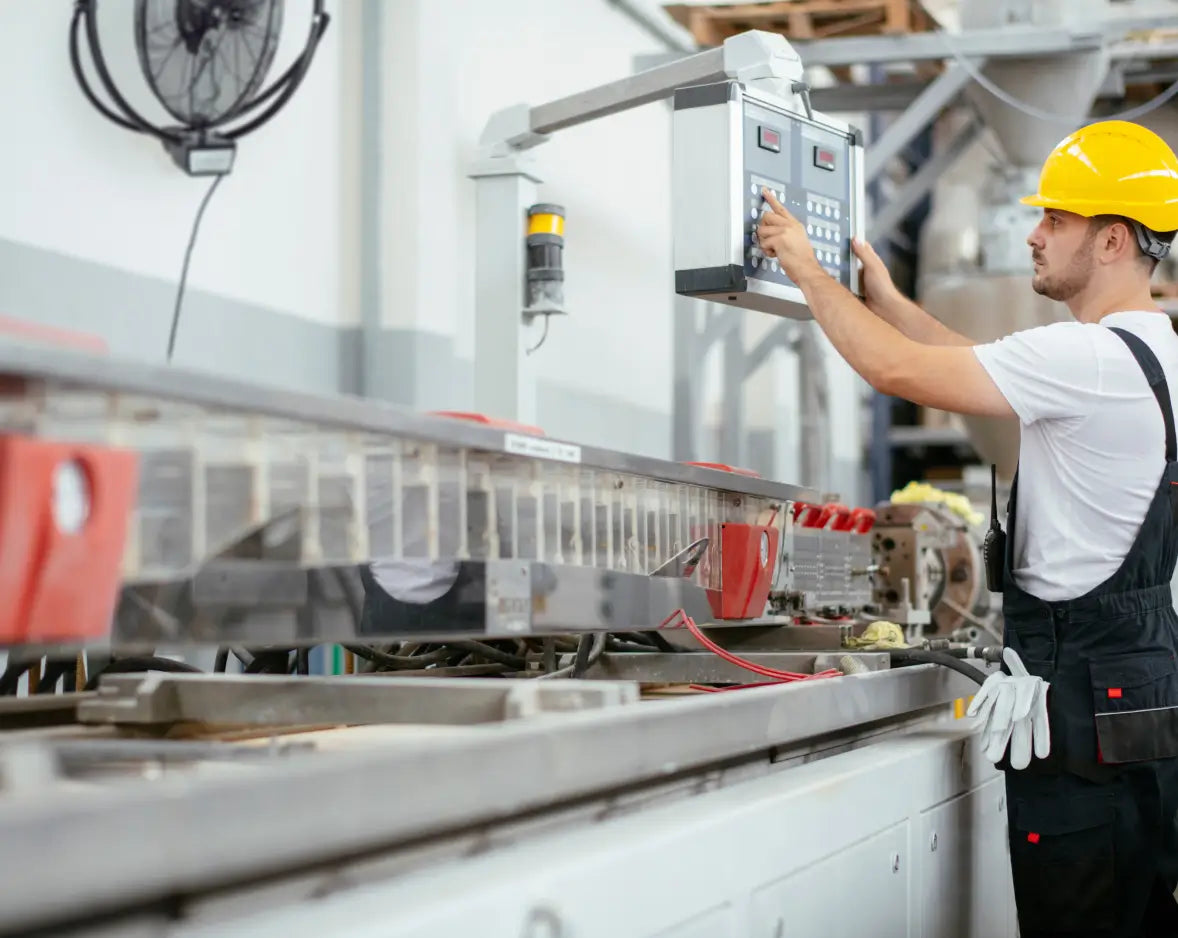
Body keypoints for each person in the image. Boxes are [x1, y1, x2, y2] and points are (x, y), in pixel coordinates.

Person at [757, 119, 1178, 936]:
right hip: (1140, 692)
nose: (1034, 234)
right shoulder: (1152, 353)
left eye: (1057, 219)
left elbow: (896, 371)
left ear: (1113, 240)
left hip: (1083, 704)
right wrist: (887, 301)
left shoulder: (1084, 360)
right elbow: (978, 363)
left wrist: (806, 268)